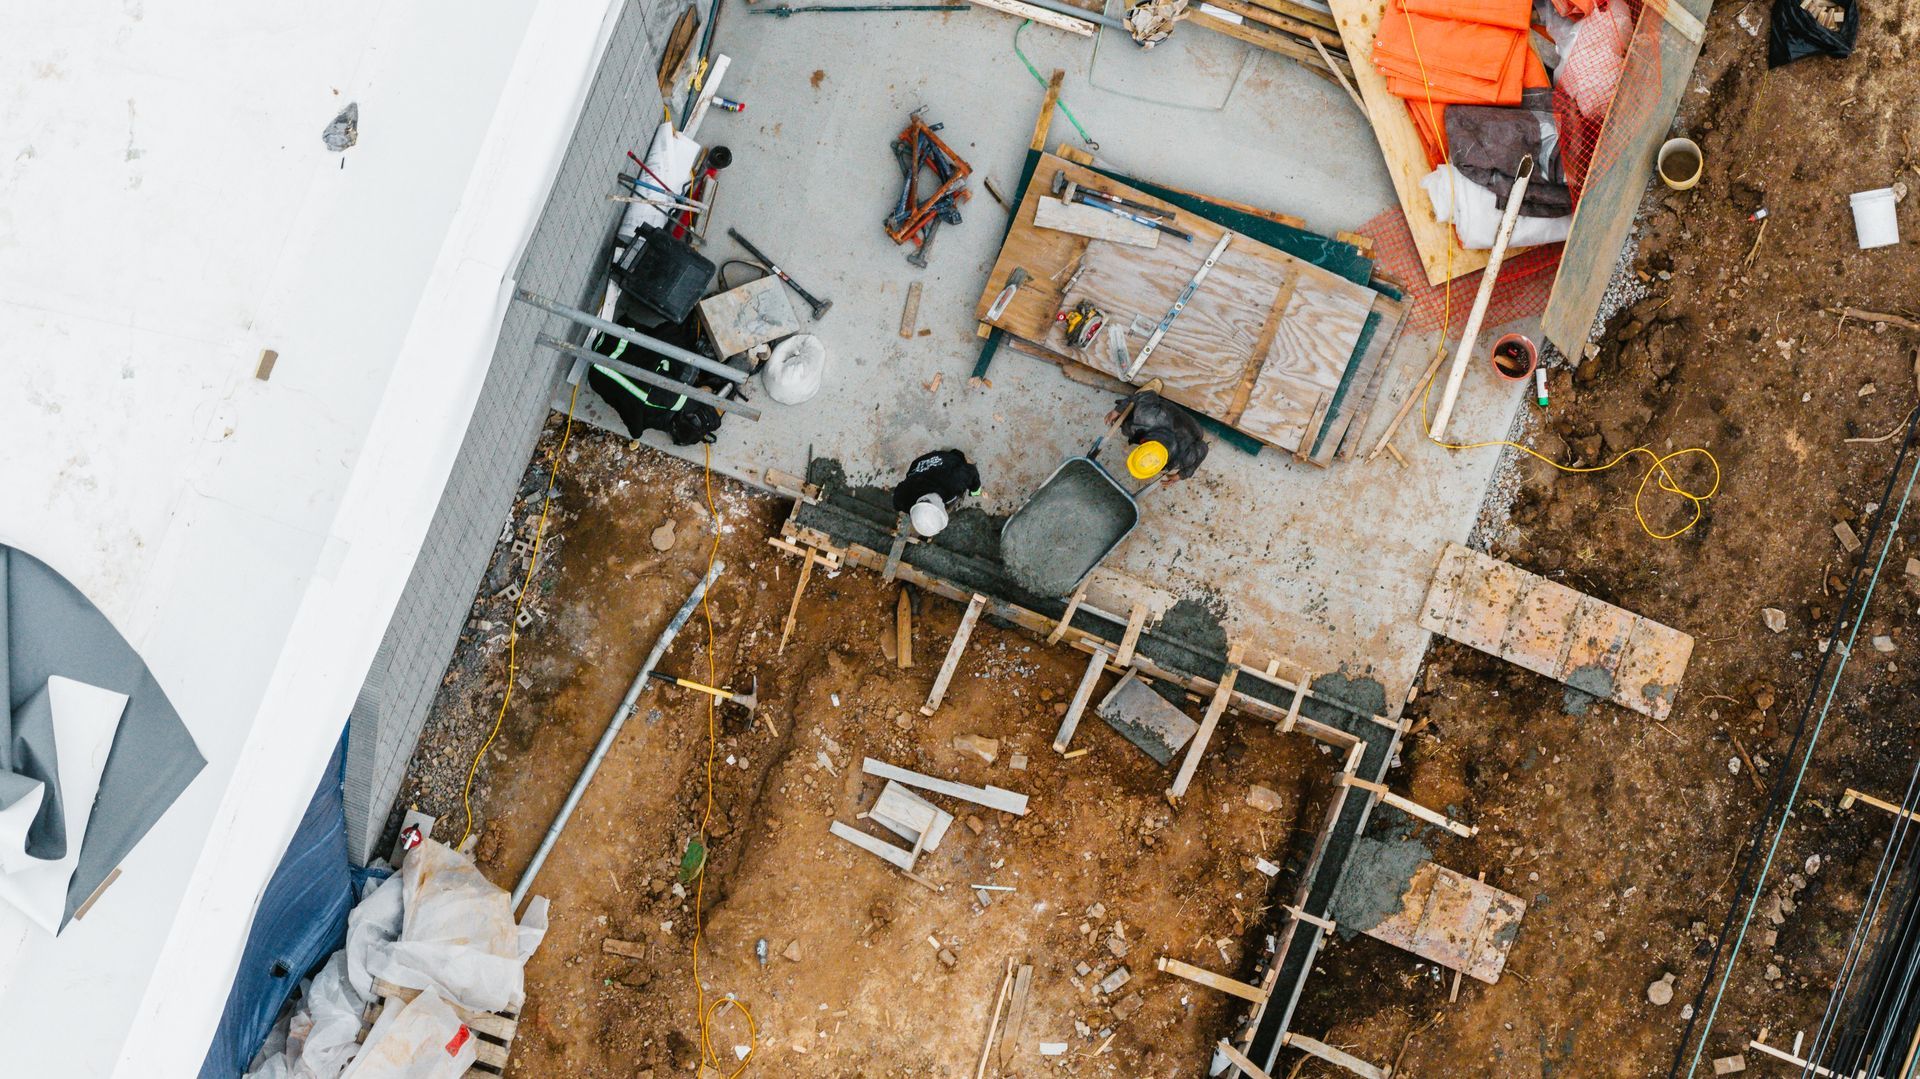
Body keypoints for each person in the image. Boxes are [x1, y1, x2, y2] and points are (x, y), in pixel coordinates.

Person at [1108, 389, 1208, 482]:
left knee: (1128, 429)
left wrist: (1182, 475)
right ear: (1143, 443)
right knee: (1128, 428)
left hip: (1192, 429)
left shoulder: (1182, 459)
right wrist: (1118, 410)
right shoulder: (1147, 416)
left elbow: (1203, 448)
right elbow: (1148, 394)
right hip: (1184, 425)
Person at [891, 449, 982, 538]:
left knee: (959, 457)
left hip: (947, 460)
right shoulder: (902, 499)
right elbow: (898, 496)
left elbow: (972, 472)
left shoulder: (954, 481)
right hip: (919, 463)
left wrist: (975, 491)